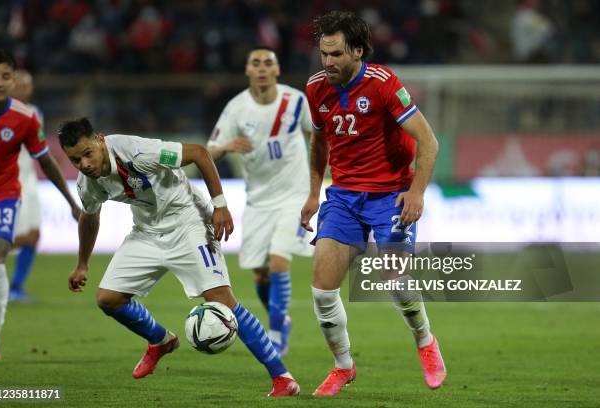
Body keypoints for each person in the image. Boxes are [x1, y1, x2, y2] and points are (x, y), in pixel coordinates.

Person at [59, 117, 300, 397]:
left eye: (88, 154)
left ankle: (282, 377)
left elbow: (198, 153)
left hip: (189, 222)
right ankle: (160, 340)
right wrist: (82, 264)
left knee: (222, 300)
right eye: (76, 160)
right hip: (147, 231)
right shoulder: (87, 183)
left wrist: (219, 205)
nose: (85, 165)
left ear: (100, 140)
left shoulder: (136, 151)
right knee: (108, 299)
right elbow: (90, 217)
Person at [300, 12, 446, 396]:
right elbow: (319, 143)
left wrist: (416, 192)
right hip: (344, 196)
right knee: (321, 289)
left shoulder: (383, 84)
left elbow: (429, 142)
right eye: (323, 53)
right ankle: (343, 366)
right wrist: (315, 193)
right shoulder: (316, 88)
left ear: (357, 51)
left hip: (390, 196)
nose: (327, 62)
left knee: (395, 279)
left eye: (334, 54)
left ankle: (425, 341)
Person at [207, 46, 313, 357]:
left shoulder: (295, 101)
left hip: (294, 193)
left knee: (280, 260)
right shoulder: (236, 109)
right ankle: (280, 320)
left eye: (269, 63)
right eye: (256, 63)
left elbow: (319, 136)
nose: (263, 68)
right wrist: (226, 146)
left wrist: (318, 183)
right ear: (248, 70)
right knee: (260, 273)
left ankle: (277, 334)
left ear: (277, 70)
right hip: (257, 200)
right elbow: (207, 152)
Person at [0, 50, 80, 360]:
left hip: (4, 192)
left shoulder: (25, 117)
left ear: (12, 80)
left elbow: (47, 160)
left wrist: (70, 201)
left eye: (5, 76)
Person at [9, 70, 43, 302]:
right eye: (18, 84)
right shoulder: (0, 112)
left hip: (30, 182)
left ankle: (16, 287)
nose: (23, 88)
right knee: (8, 237)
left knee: (33, 235)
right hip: (9, 182)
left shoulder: (35, 113)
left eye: (27, 84)